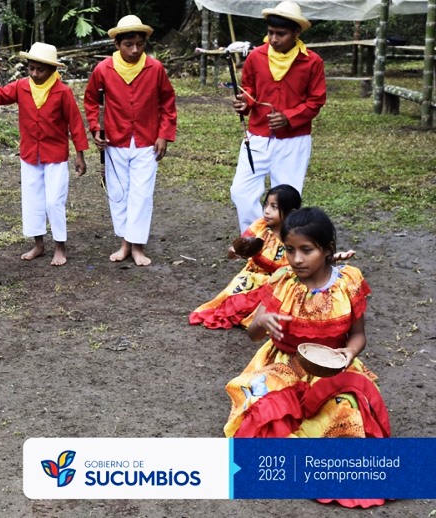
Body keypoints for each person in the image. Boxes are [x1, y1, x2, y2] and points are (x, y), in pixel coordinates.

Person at [224, 208, 389, 508]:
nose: (297, 259)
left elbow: (358, 336)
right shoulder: (282, 281)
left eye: (306, 250)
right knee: (261, 408)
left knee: (345, 416)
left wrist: (349, 352)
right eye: (290, 250)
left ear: (327, 250)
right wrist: (262, 323)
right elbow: (254, 335)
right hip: (284, 363)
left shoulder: (348, 282)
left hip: (334, 369)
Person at [83, 15, 177, 266]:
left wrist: (163, 134)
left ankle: (138, 246)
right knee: (119, 191)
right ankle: (125, 243)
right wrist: (95, 129)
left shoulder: (155, 68)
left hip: (147, 141)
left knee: (142, 194)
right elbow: (91, 101)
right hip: (115, 140)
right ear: (117, 44)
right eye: (128, 45)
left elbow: (167, 103)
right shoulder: (103, 69)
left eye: (140, 44)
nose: (135, 50)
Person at [0, 42, 88, 266]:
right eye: (31, 68)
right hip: (30, 154)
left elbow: (75, 124)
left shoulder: (62, 91)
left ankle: (60, 246)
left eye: (40, 70)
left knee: (54, 201)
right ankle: (39, 244)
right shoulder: (21, 86)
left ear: (52, 70)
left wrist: (80, 155)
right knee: (32, 200)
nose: (34, 74)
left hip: (55, 155)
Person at [230, 1, 326, 233]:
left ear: (296, 32)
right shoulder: (256, 57)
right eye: (270, 32)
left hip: (294, 140)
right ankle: (256, 238)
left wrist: (289, 117)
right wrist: (244, 103)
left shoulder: (312, 61)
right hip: (257, 136)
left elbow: (316, 101)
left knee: (287, 197)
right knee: (241, 191)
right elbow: (249, 90)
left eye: (280, 34)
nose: (273, 39)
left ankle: (284, 242)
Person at [189, 184, 301, 329]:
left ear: (291, 212)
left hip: (279, 282)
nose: (267, 211)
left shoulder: (296, 237)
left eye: (274, 207)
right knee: (229, 304)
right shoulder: (261, 226)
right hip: (251, 276)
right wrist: (234, 251)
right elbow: (235, 250)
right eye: (266, 205)